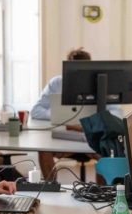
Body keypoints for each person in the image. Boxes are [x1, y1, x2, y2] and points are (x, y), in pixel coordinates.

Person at [30, 47, 123, 180]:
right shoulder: (57, 83)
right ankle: (51, 189)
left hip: (92, 138)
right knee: (44, 150)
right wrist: (60, 117)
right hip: (66, 138)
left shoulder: (101, 84)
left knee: (106, 152)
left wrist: (94, 122)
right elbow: (36, 111)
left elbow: (118, 112)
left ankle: (101, 194)